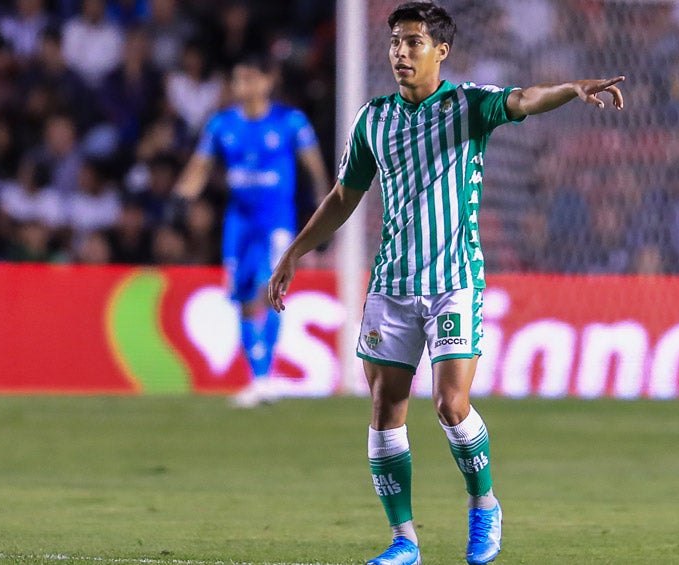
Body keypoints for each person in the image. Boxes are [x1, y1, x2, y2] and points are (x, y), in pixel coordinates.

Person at [266, 3, 624, 564]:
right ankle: (404, 541)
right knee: (385, 409)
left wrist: (571, 89)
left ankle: (484, 506)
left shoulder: (469, 105)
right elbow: (343, 198)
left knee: (451, 405)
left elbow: (524, 99)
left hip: (454, 279)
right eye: (395, 43)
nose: (400, 53)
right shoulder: (372, 119)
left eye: (412, 43)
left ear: (441, 51)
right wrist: (295, 251)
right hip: (391, 285)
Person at [177, 53, 329, 407]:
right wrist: (180, 198)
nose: (241, 87)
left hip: (277, 222)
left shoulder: (290, 122)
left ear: (266, 81)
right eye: (236, 80)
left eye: (248, 79)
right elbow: (199, 167)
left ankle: (268, 374)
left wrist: (325, 211)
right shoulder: (221, 124)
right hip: (239, 223)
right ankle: (259, 378)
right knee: (243, 297)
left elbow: (315, 168)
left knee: (268, 289)